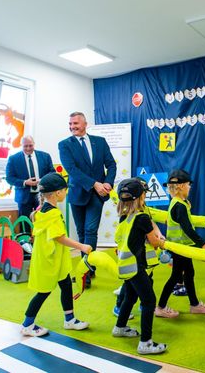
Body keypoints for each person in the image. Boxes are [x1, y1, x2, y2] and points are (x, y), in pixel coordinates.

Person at [20, 173, 91, 337]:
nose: (66, 193)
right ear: (58, 193)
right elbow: (59, 237)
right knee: (43, 292)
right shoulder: (52, 214)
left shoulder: (43, 210)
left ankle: (70, 319)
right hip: (50, 261)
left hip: (55, 259)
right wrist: (81, 246)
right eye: (65, 190)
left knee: (66, 285)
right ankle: (27, 325)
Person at [58, 112, 117, 288]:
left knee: (90, 230)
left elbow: (111, 164)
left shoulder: (100, 142)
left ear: (85, 124)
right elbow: (72, 170)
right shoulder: (64, 145)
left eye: (75, 123)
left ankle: (86, 272)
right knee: (82, 233)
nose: (72, 126)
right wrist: (94, 184)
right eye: (70, 124)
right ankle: (90, 266)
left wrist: (108, 182)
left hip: (97, 196)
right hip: (78, 194)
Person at [112, 178, 167, 355]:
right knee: (149, 301)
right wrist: (162, 242)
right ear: (141, 197)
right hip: (135, 267)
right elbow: (154, 242)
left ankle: (120, 327)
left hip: (125, 266)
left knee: (130, 296)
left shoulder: (124, 217)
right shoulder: (142, 218)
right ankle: (145, 343)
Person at [155, 169, 205, 318]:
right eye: (188, 184)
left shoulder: (178, 203)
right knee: (176, 276)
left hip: (182, 247)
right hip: (180, 248)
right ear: (181, 186)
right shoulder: (179, 206)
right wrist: (203, 244)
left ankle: (194, 304)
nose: (190, 187)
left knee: (188, 273)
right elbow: (187, 229)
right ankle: (161, 307)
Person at [5, 136, 55, 234]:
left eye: (30, 145)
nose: (28, 148)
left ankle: (41, 243)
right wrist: (25, 182)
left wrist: (42, 180)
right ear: (21, 145)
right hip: (24, 198)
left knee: (43, 223)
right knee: (25, 226)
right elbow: (9, 178)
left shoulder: (45, 156)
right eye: (25, 146)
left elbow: (52, 173)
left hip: (42, 196)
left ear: (34, 144)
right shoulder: (13, 159)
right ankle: (26, 244)